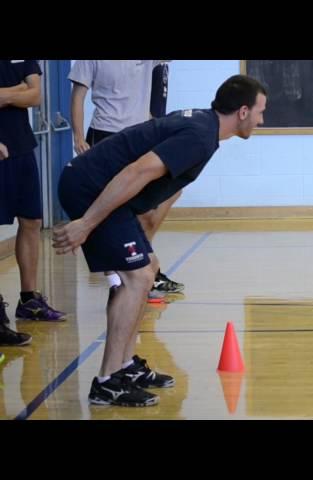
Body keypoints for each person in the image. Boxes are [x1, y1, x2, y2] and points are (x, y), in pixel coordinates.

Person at [53, 74, 267, 407]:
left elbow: (153, 184)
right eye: (259, 111)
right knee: (136, 277)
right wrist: (87, 224)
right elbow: (136, 172)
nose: (261, 119)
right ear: (242, 111)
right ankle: (108, 382)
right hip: (89, 187)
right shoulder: (199, 135)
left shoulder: (203, 126)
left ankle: (124, 366)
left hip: (106, 192)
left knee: (148, 268)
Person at [68, 60, 183, 301]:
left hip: (140, 135)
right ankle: (118, 280)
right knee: (110, 208)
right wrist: (78, 137)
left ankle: (143, 266)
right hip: (105, 134)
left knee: (165, 195)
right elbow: (78, 96)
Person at [0, 60, 66, 321]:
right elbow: (26, 93)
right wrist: (17, 91)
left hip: (22, 148)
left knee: (31, 221)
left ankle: (29, 300)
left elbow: (36, 95)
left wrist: (4, 95)